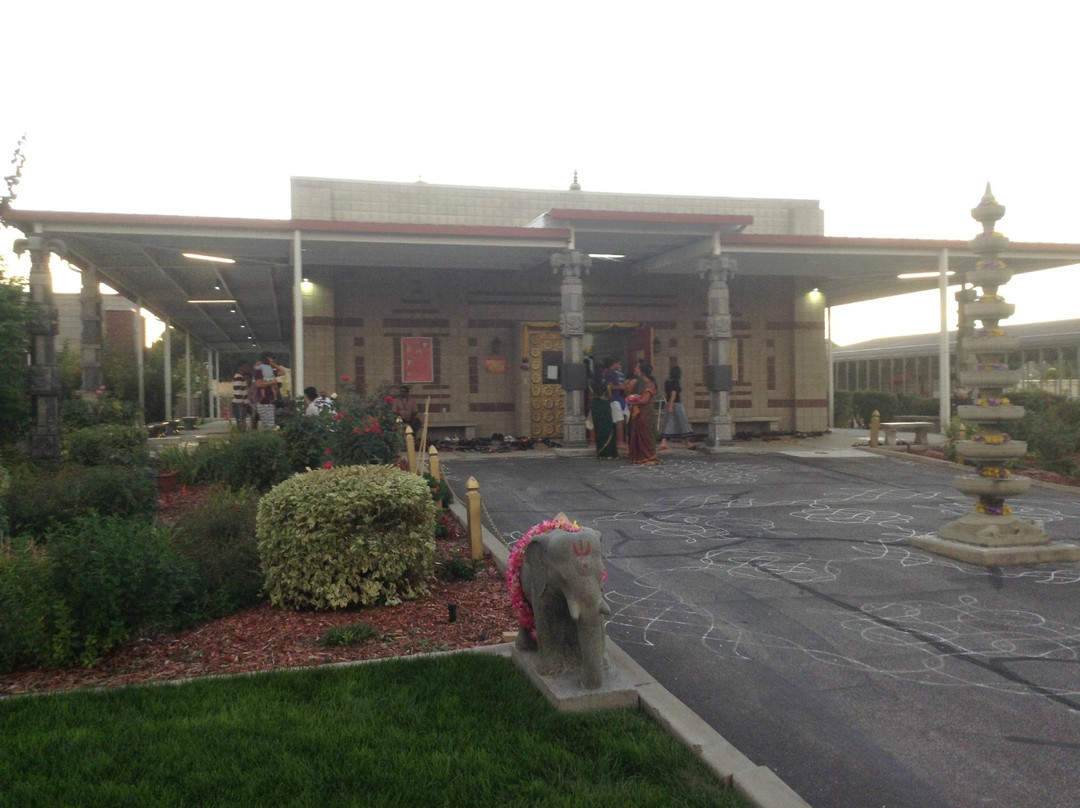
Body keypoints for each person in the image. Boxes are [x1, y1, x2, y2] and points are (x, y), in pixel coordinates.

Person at [627, 360, 660, 465]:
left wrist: (632, 401)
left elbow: (645, 400)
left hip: (645, 413)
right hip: (639, 412)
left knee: (645, 435)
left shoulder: (649, 384)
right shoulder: (641, 383)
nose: (635, 369)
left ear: (642, 371)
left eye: (637, 367)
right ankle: (640, 457)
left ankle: (649, 457)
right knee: (639, 435)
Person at [658, 365, 696, 451]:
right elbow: (674, 394)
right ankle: (687, 442)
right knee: (682, 422)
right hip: (676, 404)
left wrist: (670, 405)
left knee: (668, 423)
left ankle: (664, 442)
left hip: (668, 403)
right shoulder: (676, 382)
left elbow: (667, 393)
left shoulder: (667, 382)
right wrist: (672, 405)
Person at [590, 357, 618, 459]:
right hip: (604, 406)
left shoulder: (590, 383)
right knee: (607, 429)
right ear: (602, 372)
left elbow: (590, 396)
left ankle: (601, 453)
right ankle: (610, 453)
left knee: (599, 429)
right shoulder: (605, 383)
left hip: (596, 407)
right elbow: (610, 396)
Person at [604, 358, 629, 451]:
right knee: (619, 421)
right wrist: (621, 387)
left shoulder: (614, 373)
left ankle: (622, 440)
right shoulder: (610, 373)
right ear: (614, 363)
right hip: (614, 399)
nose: (619, 366)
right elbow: (609, 387)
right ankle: (620, 441)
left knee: (623, 419)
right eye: (618, 363)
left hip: (618, 398)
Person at [231, 361, 251, 433]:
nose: (247, 369)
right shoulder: (239, 378)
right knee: (241, 422)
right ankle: (241, 434)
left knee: (242, 420)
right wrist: (240, 403)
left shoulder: (241, 377)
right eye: (245, 367)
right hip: (239, 404)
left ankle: (242, 433)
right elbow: (238, 392)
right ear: (240, 367)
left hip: (242, 403)